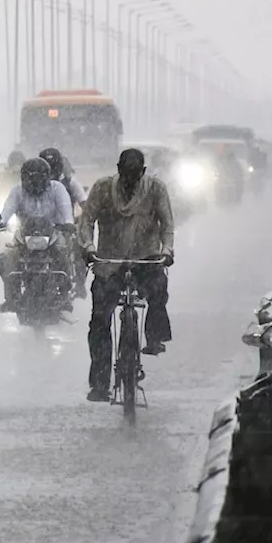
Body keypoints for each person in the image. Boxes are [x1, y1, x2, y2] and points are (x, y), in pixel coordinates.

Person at [78, 148, 175, 402]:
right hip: (110, 262)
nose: (130, 182)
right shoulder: (101, 189)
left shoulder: (156, 189)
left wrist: (167, 251)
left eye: (135, 176)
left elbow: (167, 225)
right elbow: (86, 222)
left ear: (143, 173)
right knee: (100, 320)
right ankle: (100, 384)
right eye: (126, 175)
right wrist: (88, 248)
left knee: (158, 288)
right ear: (118, 170)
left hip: (145, 259)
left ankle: (153, 337)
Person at [0, 157, 75, 312]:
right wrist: (1, 221)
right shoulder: (17, 191)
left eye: (39, 179)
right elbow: (7, 210)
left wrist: (69, 222)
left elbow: (66, 208)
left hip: (53, 234)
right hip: (23, 237)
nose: (35, 183)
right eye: (31, 179)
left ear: (47, 178)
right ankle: (12, 297)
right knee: (4, 259)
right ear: (23, 178)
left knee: (64, 255)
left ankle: (65, 294)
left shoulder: (57, 188)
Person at [38, 146, 89, 297]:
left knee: (79, 248)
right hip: (38, 229)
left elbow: (84, 202)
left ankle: (79, 284)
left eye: (53, 167)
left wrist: (80, 219)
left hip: (64, 228)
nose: (50, 171)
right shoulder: (32, 183)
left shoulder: (70, 182)